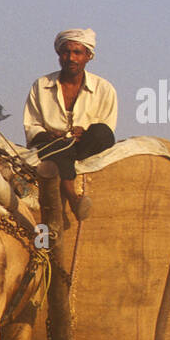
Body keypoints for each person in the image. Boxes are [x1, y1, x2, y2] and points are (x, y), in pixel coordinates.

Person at [23, 28, 117, 220]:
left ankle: (66, 176)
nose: (71, 58)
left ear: (88, 56)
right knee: (57, 147)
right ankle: (73, 199)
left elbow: (107, 127)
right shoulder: (41, 85)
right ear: (59, 54)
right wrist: (49, 135)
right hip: (52, 145)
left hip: (84, 146)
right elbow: (31, 125)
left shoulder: (104, 89)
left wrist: (84, 132)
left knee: (101, 133)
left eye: (77, 52)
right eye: (66, 52)